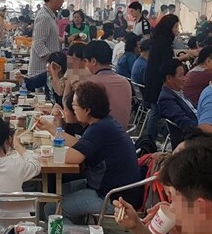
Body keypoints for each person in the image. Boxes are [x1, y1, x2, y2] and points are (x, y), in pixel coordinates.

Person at [39, 81, 141, 223]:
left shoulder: (99, 128)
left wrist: (48, 149)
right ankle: (79, 230)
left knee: (51, 208)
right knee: (55, 193)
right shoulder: (104, 123)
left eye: (75, 105)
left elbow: (71, 157)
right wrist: (51, 128)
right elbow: (79, 145)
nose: (73, 109)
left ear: (87, 110)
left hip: (112, 198)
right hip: (108, 189)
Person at [144, 14, 180, 140]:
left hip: (153, 77)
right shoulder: (163, 42)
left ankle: (150, 138)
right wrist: (183, 58)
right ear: (168, 27)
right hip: (158, 80)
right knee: (156, 111)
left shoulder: (158, 39)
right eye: (175, 27)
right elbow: (167, 63)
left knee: (155, 111)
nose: (177, 30)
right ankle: (150, 140)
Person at [83, 40, 132, 129]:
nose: (84, 65)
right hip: (122, 135)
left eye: (85, 61)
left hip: (98, 135)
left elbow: (83, 119)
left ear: (93, 61)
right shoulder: (125, 82)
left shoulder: (90, 84)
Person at [157, 60, 198, 149]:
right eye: (181, 75)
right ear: (169, 78)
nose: (184, 78)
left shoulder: (178, 92)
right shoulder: (166, 99)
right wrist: (206, 128)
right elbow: (183, 121)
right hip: (191, 139)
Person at [30, 0, 63, 76]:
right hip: (41, 71)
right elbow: (38, 43)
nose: (63, 1)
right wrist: (54, 58)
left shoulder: (50, 16)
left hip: (48, 69)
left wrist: (68, 39)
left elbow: (51, 39)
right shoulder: (44, 17)